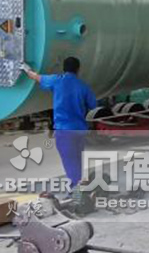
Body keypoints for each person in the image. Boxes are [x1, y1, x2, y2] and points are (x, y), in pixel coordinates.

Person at [22, 57, 97, 194]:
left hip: (64, 130)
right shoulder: (83, 86)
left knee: (70, 161)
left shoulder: (57, 81)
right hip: (79, 130)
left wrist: (25, 68)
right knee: (77, 160)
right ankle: (79, 188)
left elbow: (36, 77)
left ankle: (77, 194)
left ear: (64, 68)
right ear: (78, 69)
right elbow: (93, 105)